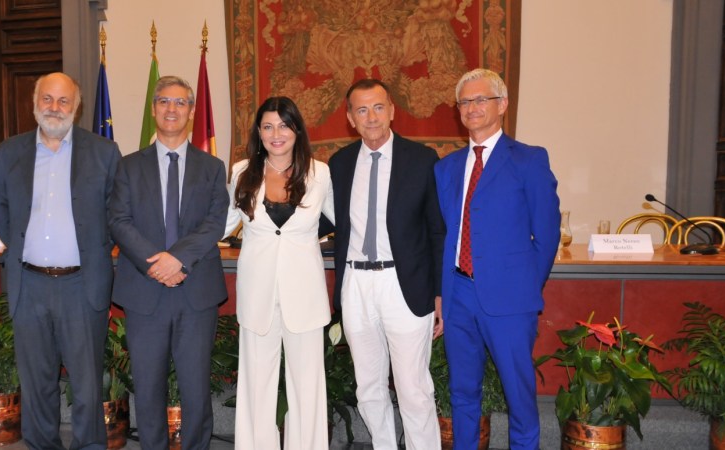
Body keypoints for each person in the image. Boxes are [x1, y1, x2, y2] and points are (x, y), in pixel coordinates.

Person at [0, 72, 120, 450]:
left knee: (87, 384)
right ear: (35, 102)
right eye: (47, 98)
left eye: (64, 101)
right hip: (28, 284)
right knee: (36, 383)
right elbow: (1, 213)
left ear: (76, 107)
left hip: (82, 285)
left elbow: (115, 216)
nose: (54, 107)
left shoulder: (104, 153)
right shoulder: (7, 154)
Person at [434, 68, 560, 450]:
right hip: (458, 295)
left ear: (502, 104)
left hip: (510, 299)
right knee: (462, 393)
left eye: (480, 99)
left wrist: (525, 287)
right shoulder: (446, 167)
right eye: (464, 102)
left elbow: (547, 235)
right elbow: (445, 233)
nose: (471, 108)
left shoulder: (529, 160)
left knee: (518, 397)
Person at [109, 75, 228, 450]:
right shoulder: (128, 166)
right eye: (164, 101)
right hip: (144, 292)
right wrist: (155, 265)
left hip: (196, 292)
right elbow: (118, 220)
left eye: (180, 102)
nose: (171, 109)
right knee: (147, 388)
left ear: (191, 111)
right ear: (153, 109)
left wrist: (177, 260)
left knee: (196, 389)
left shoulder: (212, 167)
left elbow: (215, 222)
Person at [327, 79, 446, 450]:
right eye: (361, 110)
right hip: (356, 285)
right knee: (368, 387)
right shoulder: (339, 164)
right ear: (350, 118)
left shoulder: (422, 159)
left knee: (413, 388)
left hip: (405, 284)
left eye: (378, 107)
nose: (371, 117)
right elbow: (323, 220)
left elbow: (437, 231)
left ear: (392, 110)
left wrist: (440, 293)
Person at [224, 97, 335, 449]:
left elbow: (347, 222)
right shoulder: (241, 172)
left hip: (304, 296)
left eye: (284, 125)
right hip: (258, 296)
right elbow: (220, 225)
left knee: (307, 388)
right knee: (256, 387)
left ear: (297, 130)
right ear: (258, 132)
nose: (276, 134)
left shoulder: (320, 173)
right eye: (268, 126)